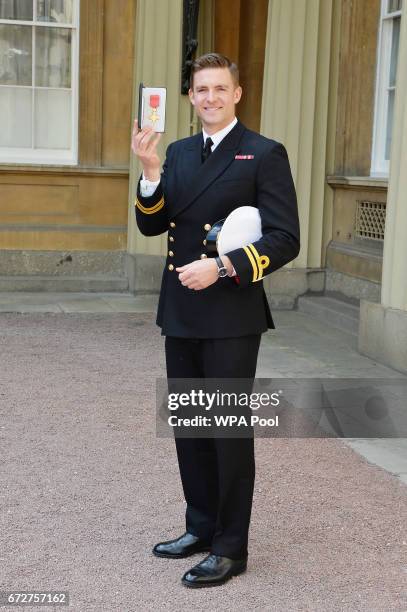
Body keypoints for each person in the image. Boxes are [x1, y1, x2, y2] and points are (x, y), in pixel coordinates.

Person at [131, 53, 300, 588]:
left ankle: (231, 547)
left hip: (230, 310)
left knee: (226, 430)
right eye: (201, 90)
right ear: (190, 97)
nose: (210, 97)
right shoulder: (176, 152)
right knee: (189, 427)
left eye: (219, 88)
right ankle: (200, 527)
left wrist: (223, 266)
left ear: (237, 93)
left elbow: (285, 238)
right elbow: (153, 227)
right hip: (180, 308)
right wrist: (150, 172)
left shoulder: (264, 154)